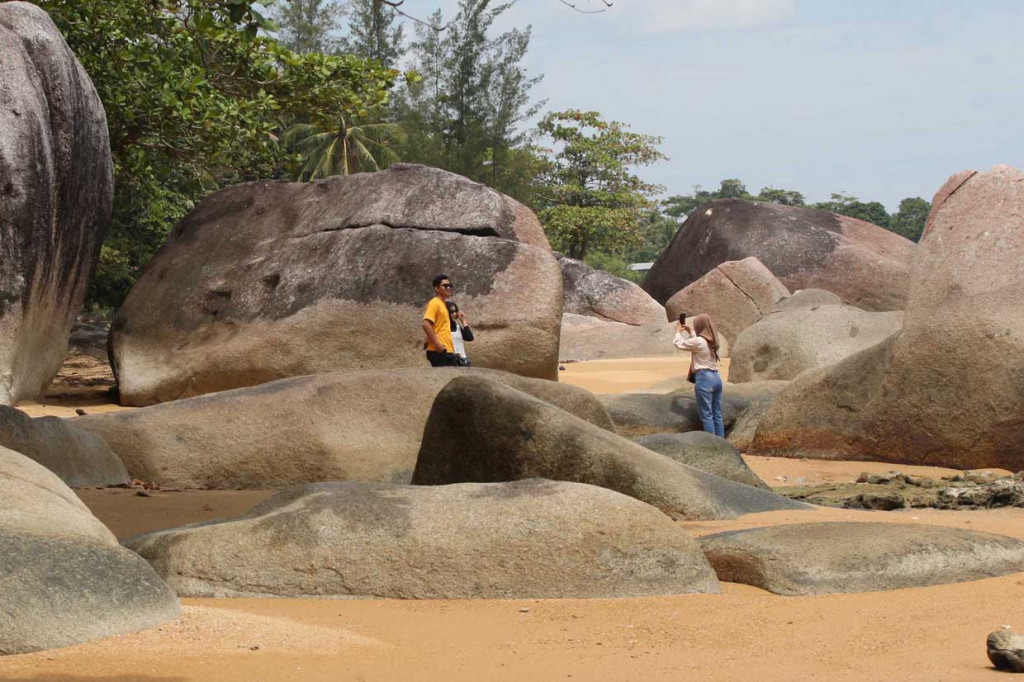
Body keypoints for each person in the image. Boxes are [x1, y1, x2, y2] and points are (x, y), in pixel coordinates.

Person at [673, 313, 724, 437]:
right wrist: (691, 332)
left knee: (707, 415)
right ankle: (722, 441)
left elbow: (679, 344)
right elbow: (697, 343)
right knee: (717, 413)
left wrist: (677, 332)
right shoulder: (713, 341)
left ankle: (712, 442)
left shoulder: (699, 341)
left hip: (704, 378)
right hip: (716, 377)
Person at [422, 274, 457, 367]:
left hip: (446, 349)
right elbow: (426, 324)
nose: (448, 288)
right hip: (438, 349)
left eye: (450, 285)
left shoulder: (443, 304)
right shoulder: (434, 303)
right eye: (445, 286)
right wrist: (437, 344)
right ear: (437, 288)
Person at [445, 300, 474, 366]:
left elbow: (470, 337)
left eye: (456, 311)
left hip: (462, 360)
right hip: (451, 360)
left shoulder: (458, 328)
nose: (454, 314)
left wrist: (463, 320)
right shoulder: (443, 329)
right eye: (451, 312)